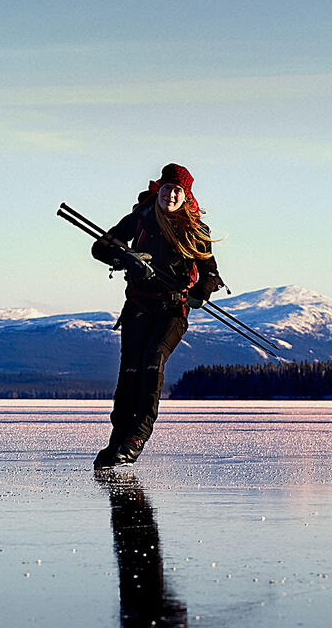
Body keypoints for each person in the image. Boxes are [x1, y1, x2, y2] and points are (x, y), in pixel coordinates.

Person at [91, 163, 224, 468]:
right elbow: (100, 247)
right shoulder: (141, 217)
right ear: (158, 189)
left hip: (173, 312)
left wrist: (200, 294)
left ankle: (137, 437)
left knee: (153, 361)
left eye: (177, 190)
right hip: (138, 306)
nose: (171, 195)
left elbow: (212, 274)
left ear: (185, 194)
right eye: (167, 189)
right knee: (129, 374)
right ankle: (117, 442)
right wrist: (126, 258)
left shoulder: (194, 230)